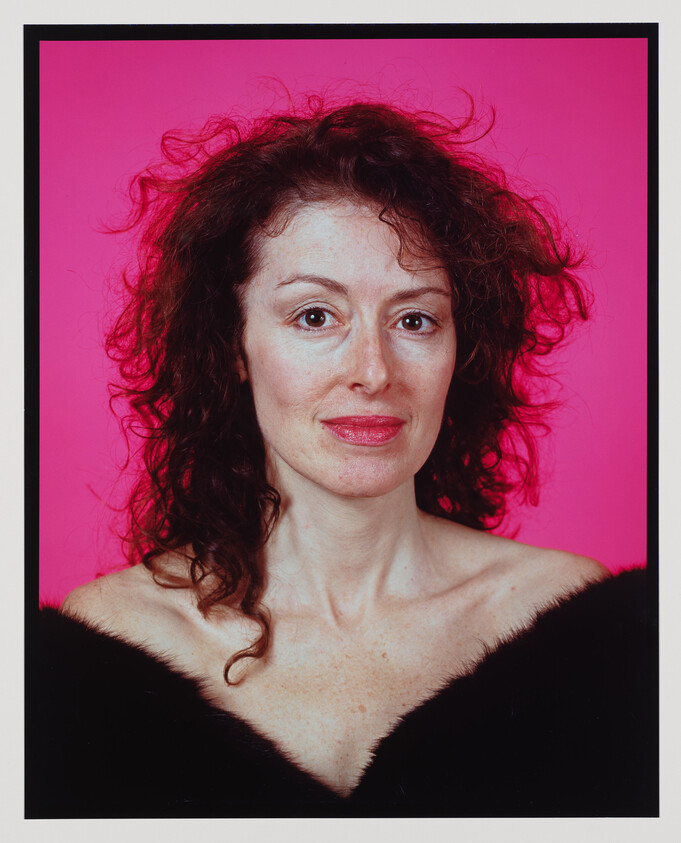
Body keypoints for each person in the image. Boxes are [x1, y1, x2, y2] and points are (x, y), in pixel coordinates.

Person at [31, 100, 654, 818]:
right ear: (231, 345)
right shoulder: (107, 643)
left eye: (414, 319)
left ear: (462, 349)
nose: (372, 370)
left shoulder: (574, 625)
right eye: (314, 315)